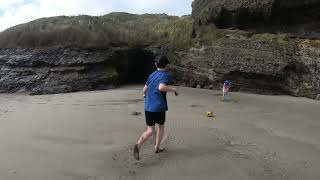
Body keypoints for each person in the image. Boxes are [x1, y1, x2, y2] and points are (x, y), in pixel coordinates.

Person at [133, 55, 178, 161]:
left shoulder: (152, 75)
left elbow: (144, 90)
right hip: (159, 108)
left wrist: (145, 96)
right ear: (167, 65)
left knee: (150, 130)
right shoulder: (166, 75)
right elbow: (161, 87)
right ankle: (157, 147)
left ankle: (138, 145)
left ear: (155, 64)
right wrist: (173, 90)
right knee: (161, 127)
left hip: (148, 107)